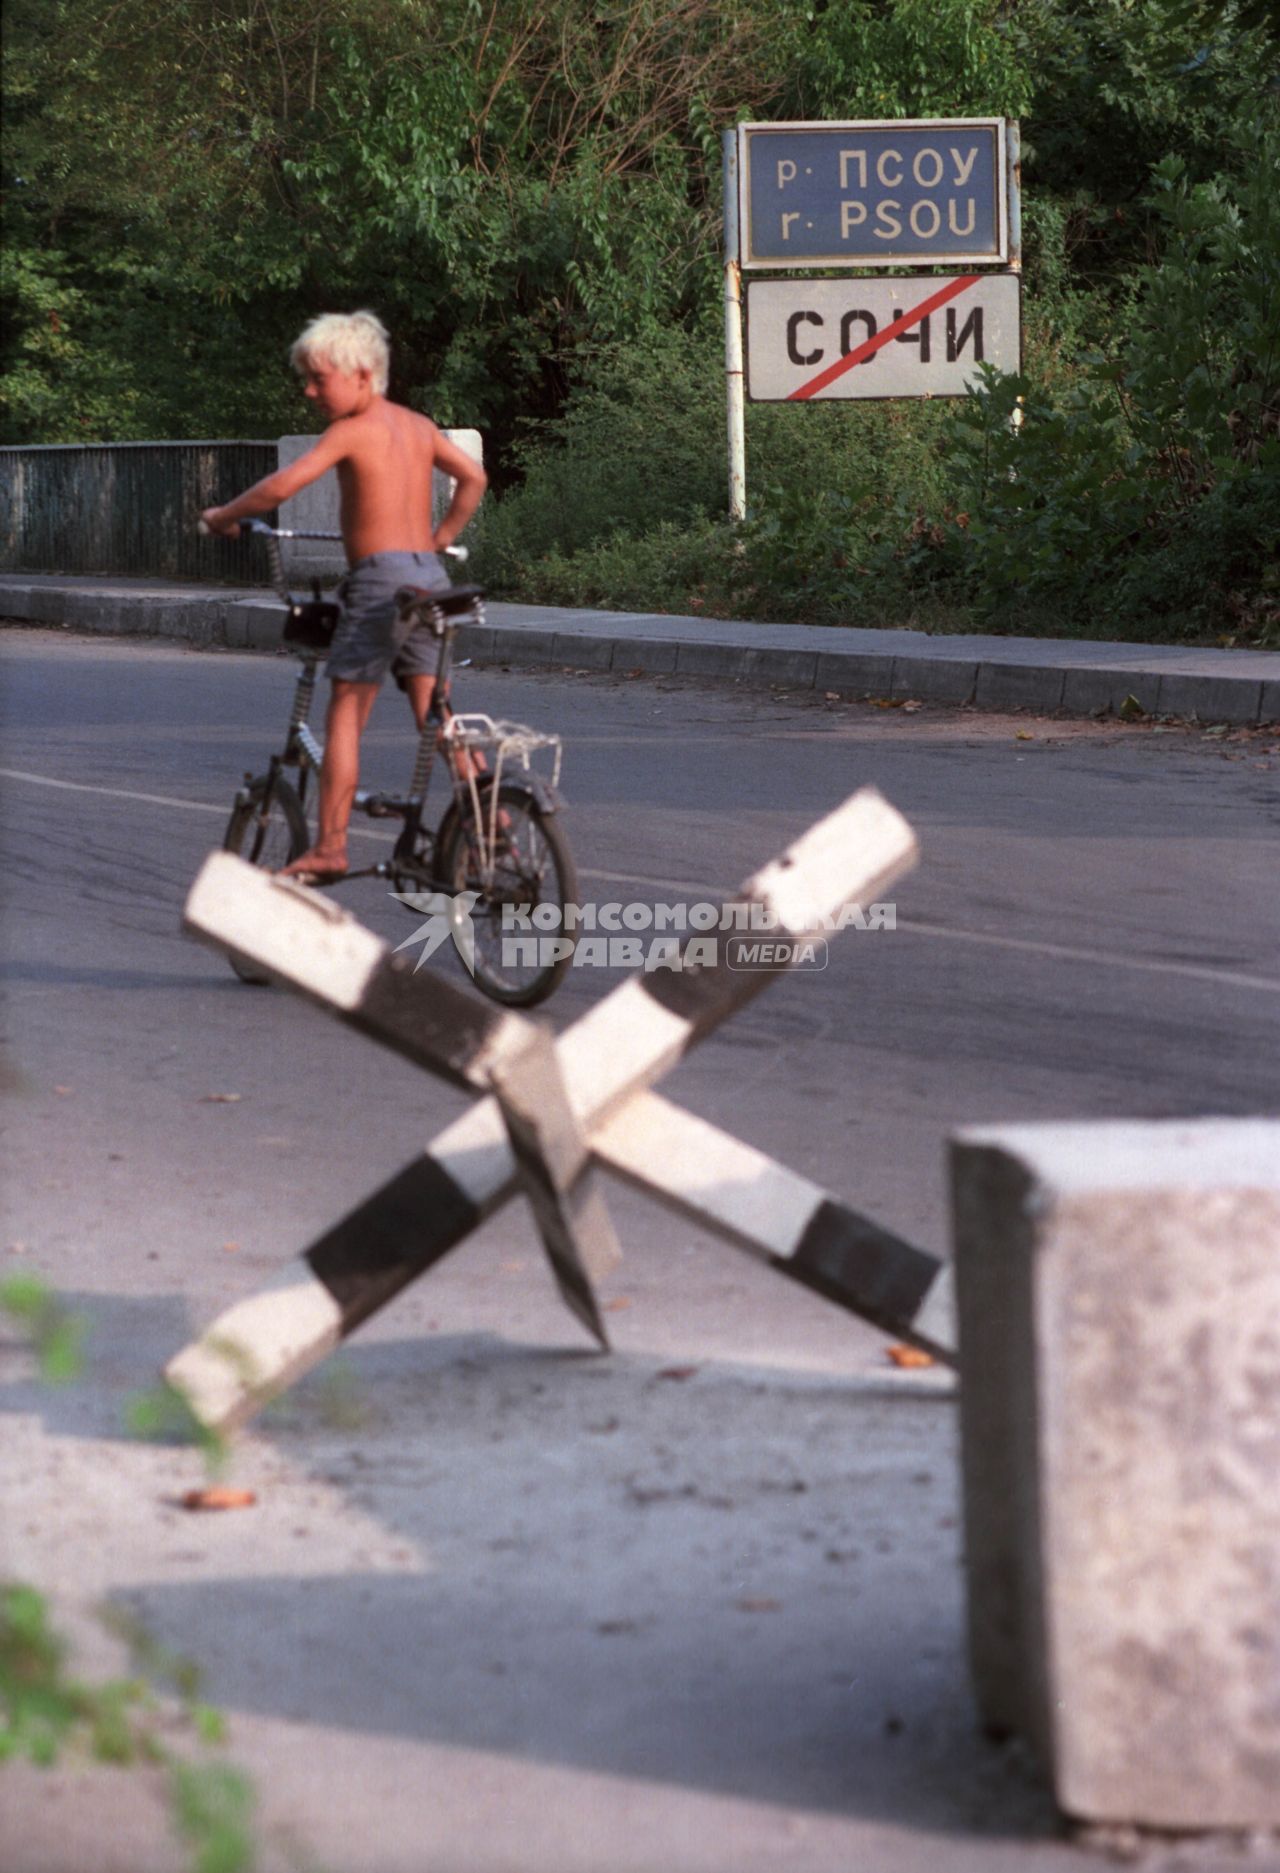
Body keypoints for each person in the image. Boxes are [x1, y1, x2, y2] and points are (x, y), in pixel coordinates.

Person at [200, 309, 487, 883]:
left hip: (381, 584)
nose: (309, 390)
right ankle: (491, 819)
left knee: (346, 715)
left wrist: (224, 514)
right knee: (436, 709)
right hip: (429, 578)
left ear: (361, 374)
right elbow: (474, 479)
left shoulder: (352, 430)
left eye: (317, 378)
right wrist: (441, 539)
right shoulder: (417, 426)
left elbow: (285, 484)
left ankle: (331, 846)